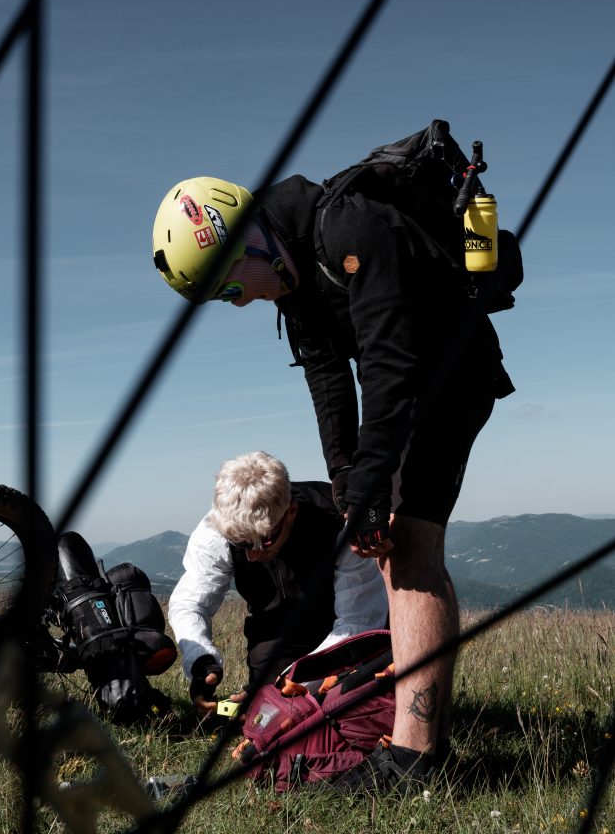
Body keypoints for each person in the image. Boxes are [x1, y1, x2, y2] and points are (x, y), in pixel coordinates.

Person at [153, 165, 514, 791]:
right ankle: (415, 735)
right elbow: (327, 380)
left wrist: (371, 490)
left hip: (452, 378)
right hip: (407, 392)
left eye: (230, 288)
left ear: (248, 243)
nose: (238, 303)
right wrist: (347, 479)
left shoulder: (353, 229)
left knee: (410, 548)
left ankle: (414, 760)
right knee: (396, 552)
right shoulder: (295, 280)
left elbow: (388, 364)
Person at [168, 451, 387, 717]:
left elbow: (359, 619)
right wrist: (200, 661)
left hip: (339, 621)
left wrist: (298, 681)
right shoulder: (218, 528)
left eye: (263, 542)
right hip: (274, 630)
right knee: (266, 709)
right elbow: (190, 603)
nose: (252, 555)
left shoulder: (339, 521)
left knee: (346, 701)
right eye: (241, 544)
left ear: (291, 511)